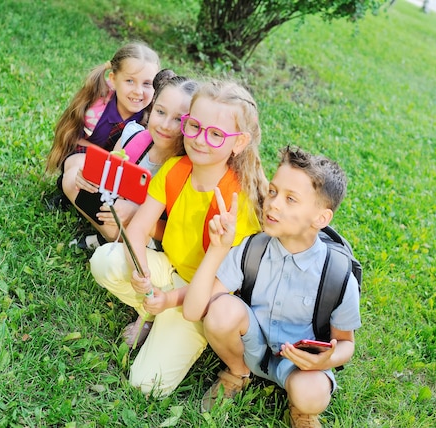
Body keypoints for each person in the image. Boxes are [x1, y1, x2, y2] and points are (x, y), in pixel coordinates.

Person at [90, 80, 268, 397]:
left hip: (200, 297)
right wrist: (141, 273)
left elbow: (220, 283)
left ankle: (163, 317)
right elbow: (137, 229)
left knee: (147, 386)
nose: (199, 140)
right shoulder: (175, 168)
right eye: (194, 126)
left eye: (215, 134)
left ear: (238, 143)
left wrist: (169, 299)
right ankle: (149, 313)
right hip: (166, 269)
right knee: (105, 261)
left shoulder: (238, 201)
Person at [183, 146, 361, 427]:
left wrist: (323, 361)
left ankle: (302, 411)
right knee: (220, 312)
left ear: (321, 219)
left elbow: (346, 344)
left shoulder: (337, 276)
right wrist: (218, 249)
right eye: (274, 191)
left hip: (300, 364)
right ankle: (237, 371)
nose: (273, 204)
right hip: (250, 345)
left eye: (291, 199)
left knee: (312, 395)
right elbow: (194, 311)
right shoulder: (251, 249)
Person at [72, 73, 199, 249]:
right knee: (70, 180)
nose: (165, 125)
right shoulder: (132, 137)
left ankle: (110, 241)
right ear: (152, 107)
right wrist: (87, 180)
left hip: (152, 237)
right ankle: (108, 238)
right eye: (160, 112)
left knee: (116, 227)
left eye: (178, 119)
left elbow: (180, 233)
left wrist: (137, 214)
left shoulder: (190, 171)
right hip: (115, 213)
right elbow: (107, 181)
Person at [44, 42, 160, 219]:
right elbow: (72, 138)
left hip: (125, 171)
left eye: (147, 84)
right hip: (85, 156)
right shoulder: (96, 104)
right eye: (130, 81)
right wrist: (99, 165)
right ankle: (71, 191)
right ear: (113, 79)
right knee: (78, 170)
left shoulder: (154, 117)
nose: (138, 91)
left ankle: (104, 218)